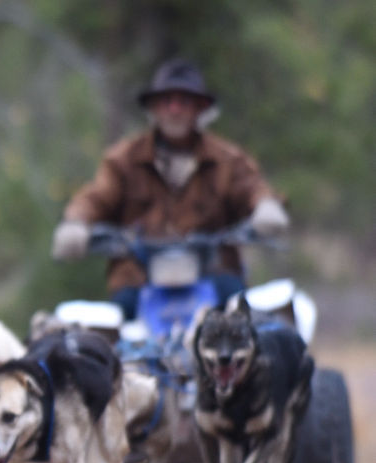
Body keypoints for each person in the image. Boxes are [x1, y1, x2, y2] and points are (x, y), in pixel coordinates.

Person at [52, 58, 289, 320]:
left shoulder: (227, 159)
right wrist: (75, 223)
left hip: (213, 269)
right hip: (138, 275)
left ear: (201, 108)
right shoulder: (123, 159)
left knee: (242, 315)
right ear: (153, 108)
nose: (174, 110)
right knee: (113, 325)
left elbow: (251, 187)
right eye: (166, 101)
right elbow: (96, 196)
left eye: (184, 102)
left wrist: (266, 207)